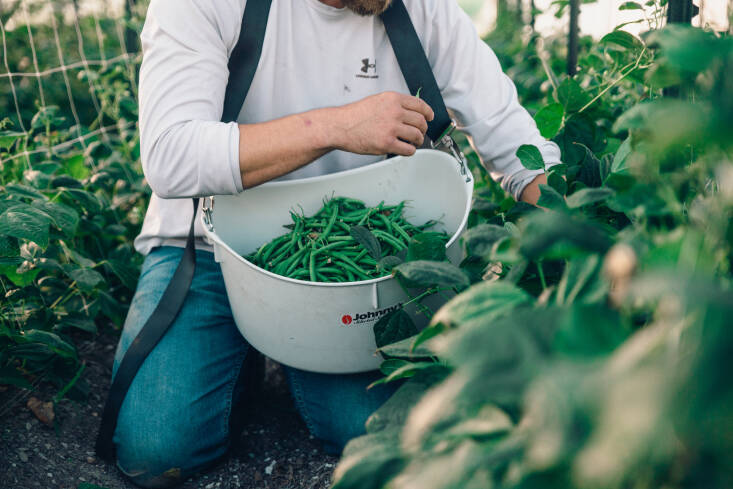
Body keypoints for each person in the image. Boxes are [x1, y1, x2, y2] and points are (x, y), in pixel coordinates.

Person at [113, 0, 562, 487]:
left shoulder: (422, 9)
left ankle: (280, 355)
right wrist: (336, 127)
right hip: (209, 247)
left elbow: (513, 139)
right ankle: (240, 354)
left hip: (351, 266)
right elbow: (169, 156)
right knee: (157, 449)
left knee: (375, 434)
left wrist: (587, 235)